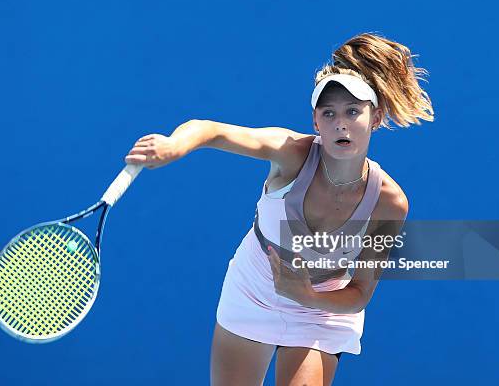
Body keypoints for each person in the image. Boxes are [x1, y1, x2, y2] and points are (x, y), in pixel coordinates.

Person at [124, 33, 434, 386]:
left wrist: (306, 295)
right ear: (316, 122)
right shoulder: (290, 153)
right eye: (328, 113)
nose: (340, 124)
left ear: (375, 118)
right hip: (254, 289)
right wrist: (173, 146)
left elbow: (360, 294)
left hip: (323, 306)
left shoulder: (389, 203)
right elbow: (210, 130)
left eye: (352, 112)